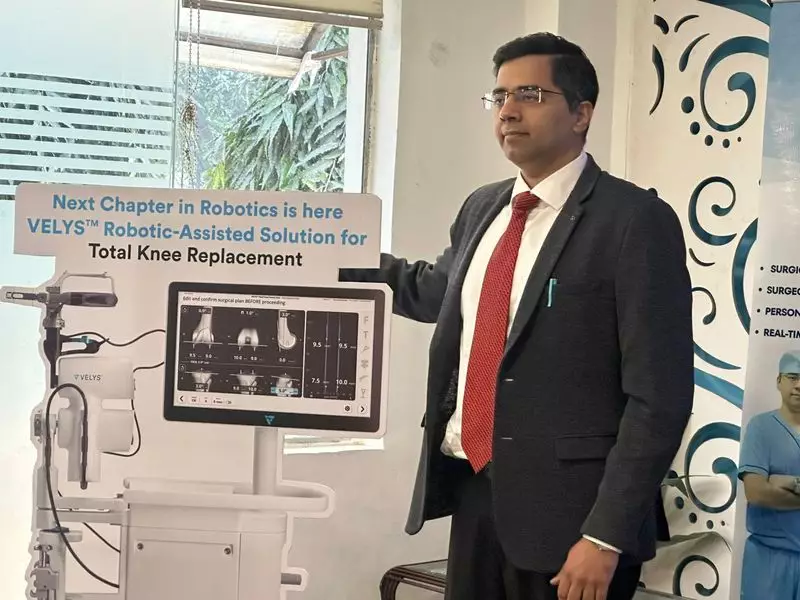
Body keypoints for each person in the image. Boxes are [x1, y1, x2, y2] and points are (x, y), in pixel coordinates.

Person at [341, 32, 693, 600]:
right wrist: (329, 255)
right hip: (475, 492)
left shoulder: (634, 221)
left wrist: (605, 536)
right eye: (499, 96)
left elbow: (660, 397)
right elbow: (434, 292)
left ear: (581, 113)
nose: (507, 110)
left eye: (530, 94)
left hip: (575, 518)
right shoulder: (484, 206)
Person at [738, 350, 800, 600]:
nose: (799, 385)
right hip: (768, 559)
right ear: (779, 381)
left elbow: (766, 488)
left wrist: (782, 481)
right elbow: (756, 493)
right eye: (792, 377)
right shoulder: (761, 428)